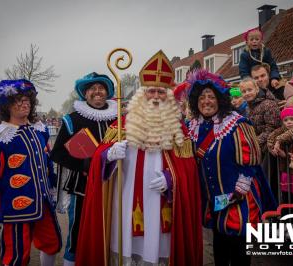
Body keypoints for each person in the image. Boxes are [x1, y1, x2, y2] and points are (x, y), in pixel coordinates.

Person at [75, 50, 203, 266]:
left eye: (161, 92)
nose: (155, 97)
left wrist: (171, 179)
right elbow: (99, 157)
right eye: (150, 91)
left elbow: (189, 168)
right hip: (125, 202)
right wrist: (109, 155)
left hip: (162, 204)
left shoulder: (178, 128)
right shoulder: (122, 124)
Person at [187, 69, 276, 266]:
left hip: (238, 199)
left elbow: (251, 160)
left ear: (220, 99)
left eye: (211, 97)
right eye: (202, 97)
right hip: (214, 202)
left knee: (239, 251)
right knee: (219, 248)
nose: (206, 101)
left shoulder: (236, 123)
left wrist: (239, 189)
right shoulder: (193, 126)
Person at [0, 79, 61, 266]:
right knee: (16, 255)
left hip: (44, 202)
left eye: (28, 100)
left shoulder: (39, 131)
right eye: (19, 100)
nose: (25, 104)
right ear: (7, 106)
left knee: (52, 243)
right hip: (16, 208)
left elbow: (47, 164)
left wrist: (53, 188)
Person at [50, 72, 117, 266]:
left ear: (108, 92)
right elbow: (57, 154)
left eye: (101, 88)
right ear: (85, 94)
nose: (97, 92)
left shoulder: (118, 119)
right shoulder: (72, 119)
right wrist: (84, 164)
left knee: (110, 227)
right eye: (92, 89)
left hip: (113, 183)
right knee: (78, 229)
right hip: (82, 186)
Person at [267, 107, 293, 199]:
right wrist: (273, 149)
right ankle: (287, 211)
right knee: (286, 193)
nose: (289, 122)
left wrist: (278, 141)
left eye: (292, 119)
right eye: (285, 120)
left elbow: (292, 133)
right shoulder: (281, 130)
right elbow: (270, 137)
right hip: (285, 168)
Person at [239, 77, 281, 152]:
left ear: (257, 89)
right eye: (244, 91)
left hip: (270, 147)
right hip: (258, 147)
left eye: (249, 90)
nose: (247, 93)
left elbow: (272, 128)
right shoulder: (248, 108)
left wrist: (254, 143)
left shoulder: (268, 104)